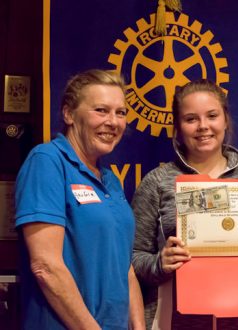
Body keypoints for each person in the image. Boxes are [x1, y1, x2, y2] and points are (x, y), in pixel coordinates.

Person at [131, 79, 238, 329]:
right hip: (173, 322)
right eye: (191, 119)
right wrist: (160, 264)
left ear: (225, 119)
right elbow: (132, 258)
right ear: (178, 127)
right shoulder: (158, 182)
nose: (203, 126)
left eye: (212, 116)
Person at [15, 69, 145, 329]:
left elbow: (125, 268)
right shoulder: (47, 161)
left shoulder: (110, 180)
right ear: (69, 114)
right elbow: (45, 267)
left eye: (120, 112)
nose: (113, 122)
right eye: (101, 110)